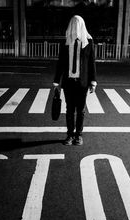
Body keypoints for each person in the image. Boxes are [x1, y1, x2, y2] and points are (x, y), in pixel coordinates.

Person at [53, 15, 97, 146]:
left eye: (78, 24)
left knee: (81, 110)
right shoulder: (66, 42)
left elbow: (91, 63)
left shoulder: (88, 42)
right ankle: (69, 135)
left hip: (82, 82)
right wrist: (56, 82)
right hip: (68, 82)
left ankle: (79, 135)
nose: (75, 27)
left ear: (82, 26)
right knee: (69, 110)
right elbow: (60, 63)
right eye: (73, 24)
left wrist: (93, 81)